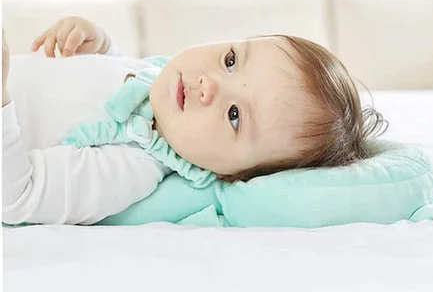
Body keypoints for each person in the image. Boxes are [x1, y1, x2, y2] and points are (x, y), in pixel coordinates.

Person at [2, 17, 387, 225]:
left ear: (228, 173)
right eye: (231, 61)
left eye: (234, 116)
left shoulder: (132, 165)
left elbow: (18, 197)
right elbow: (113, 83)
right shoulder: (156, 78)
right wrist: (100, 45)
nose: (209, 85)